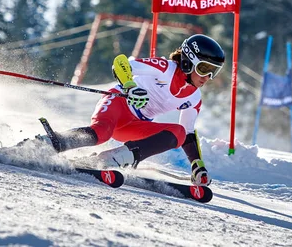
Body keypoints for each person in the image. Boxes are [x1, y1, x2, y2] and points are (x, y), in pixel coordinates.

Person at [42, 34, 225, 186]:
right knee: (101, 133)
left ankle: (115, 159)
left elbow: (188, 133)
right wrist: (130, 87)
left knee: (179, 132)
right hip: (118, 104)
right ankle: (48, 143)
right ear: (188, 62)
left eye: (213, 72)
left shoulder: (194, 98)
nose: (207, 77)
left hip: (135, 125)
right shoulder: (165, 69)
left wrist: (197, 165)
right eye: (204, 69)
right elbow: (121, 63)